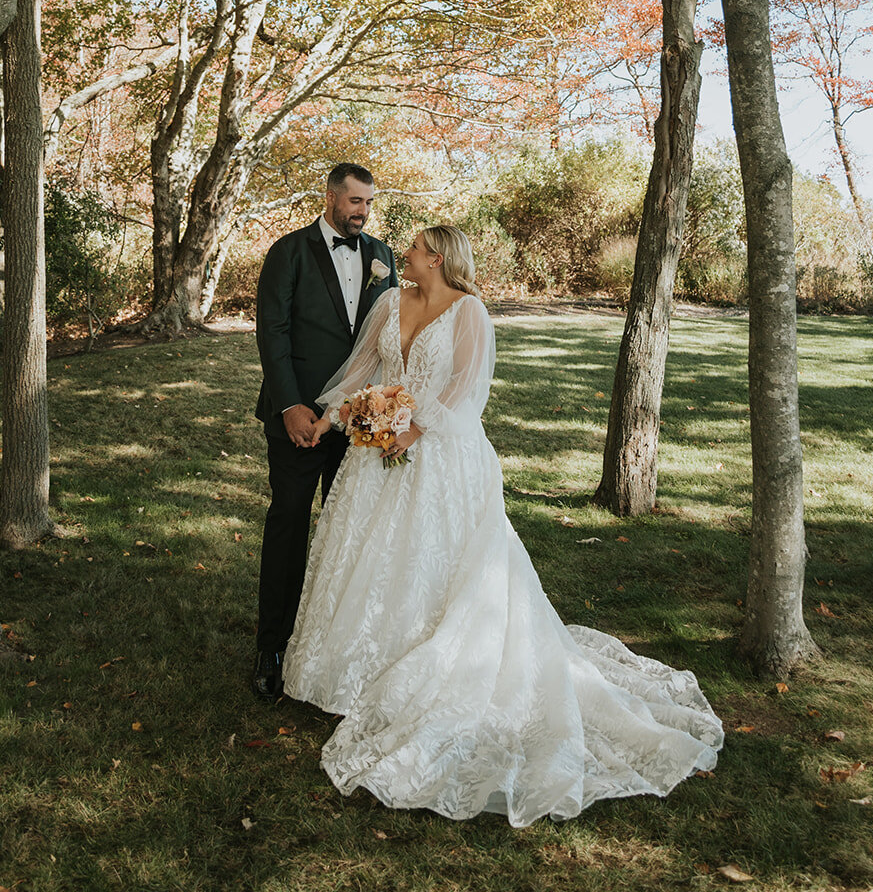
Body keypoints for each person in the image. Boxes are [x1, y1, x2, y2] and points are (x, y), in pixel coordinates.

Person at [281, 224, 724, 826]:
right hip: (376, 454)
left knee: (430, 562)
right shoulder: (390, 301)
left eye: (411, 250)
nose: (401, 255)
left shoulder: (470, 313)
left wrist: (410, 429)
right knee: (366, 558)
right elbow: (361, 370)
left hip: (440, 455)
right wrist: (335, 418)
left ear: (435, 259)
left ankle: (427, 673)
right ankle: (352, 673)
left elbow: (467, 393)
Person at [252, 163, 399, 702]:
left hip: (356, 421)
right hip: (298, 419)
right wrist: (291, 405)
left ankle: (336, 650)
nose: (363, 212)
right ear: (332, 197)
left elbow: (392, 341)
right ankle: (270, 647)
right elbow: (273, 330)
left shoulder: (383, 257)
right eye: (356, 201)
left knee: (350, 535)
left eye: (368, 203)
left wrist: (379, 411)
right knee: (288, 525)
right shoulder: (287, 252)